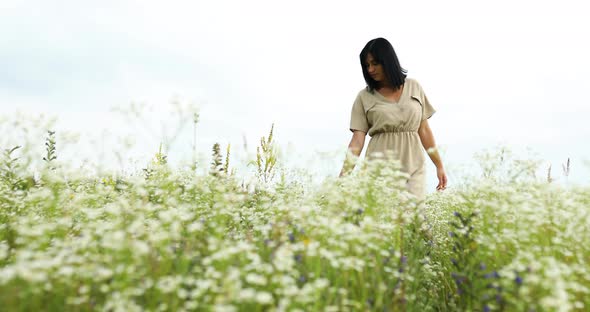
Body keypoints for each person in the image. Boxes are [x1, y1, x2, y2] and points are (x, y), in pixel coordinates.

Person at [339, 37, 447, 199]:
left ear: (387, 61)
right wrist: (344, 175)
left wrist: (439, 165)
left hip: (414, 164)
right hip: (379, 167)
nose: (370, 70)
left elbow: (423, 129)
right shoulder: (364, 97)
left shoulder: (414, 87)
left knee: (413, 216)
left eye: (375, 63)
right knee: (382, 219)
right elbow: (357, 140)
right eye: (366, 65)